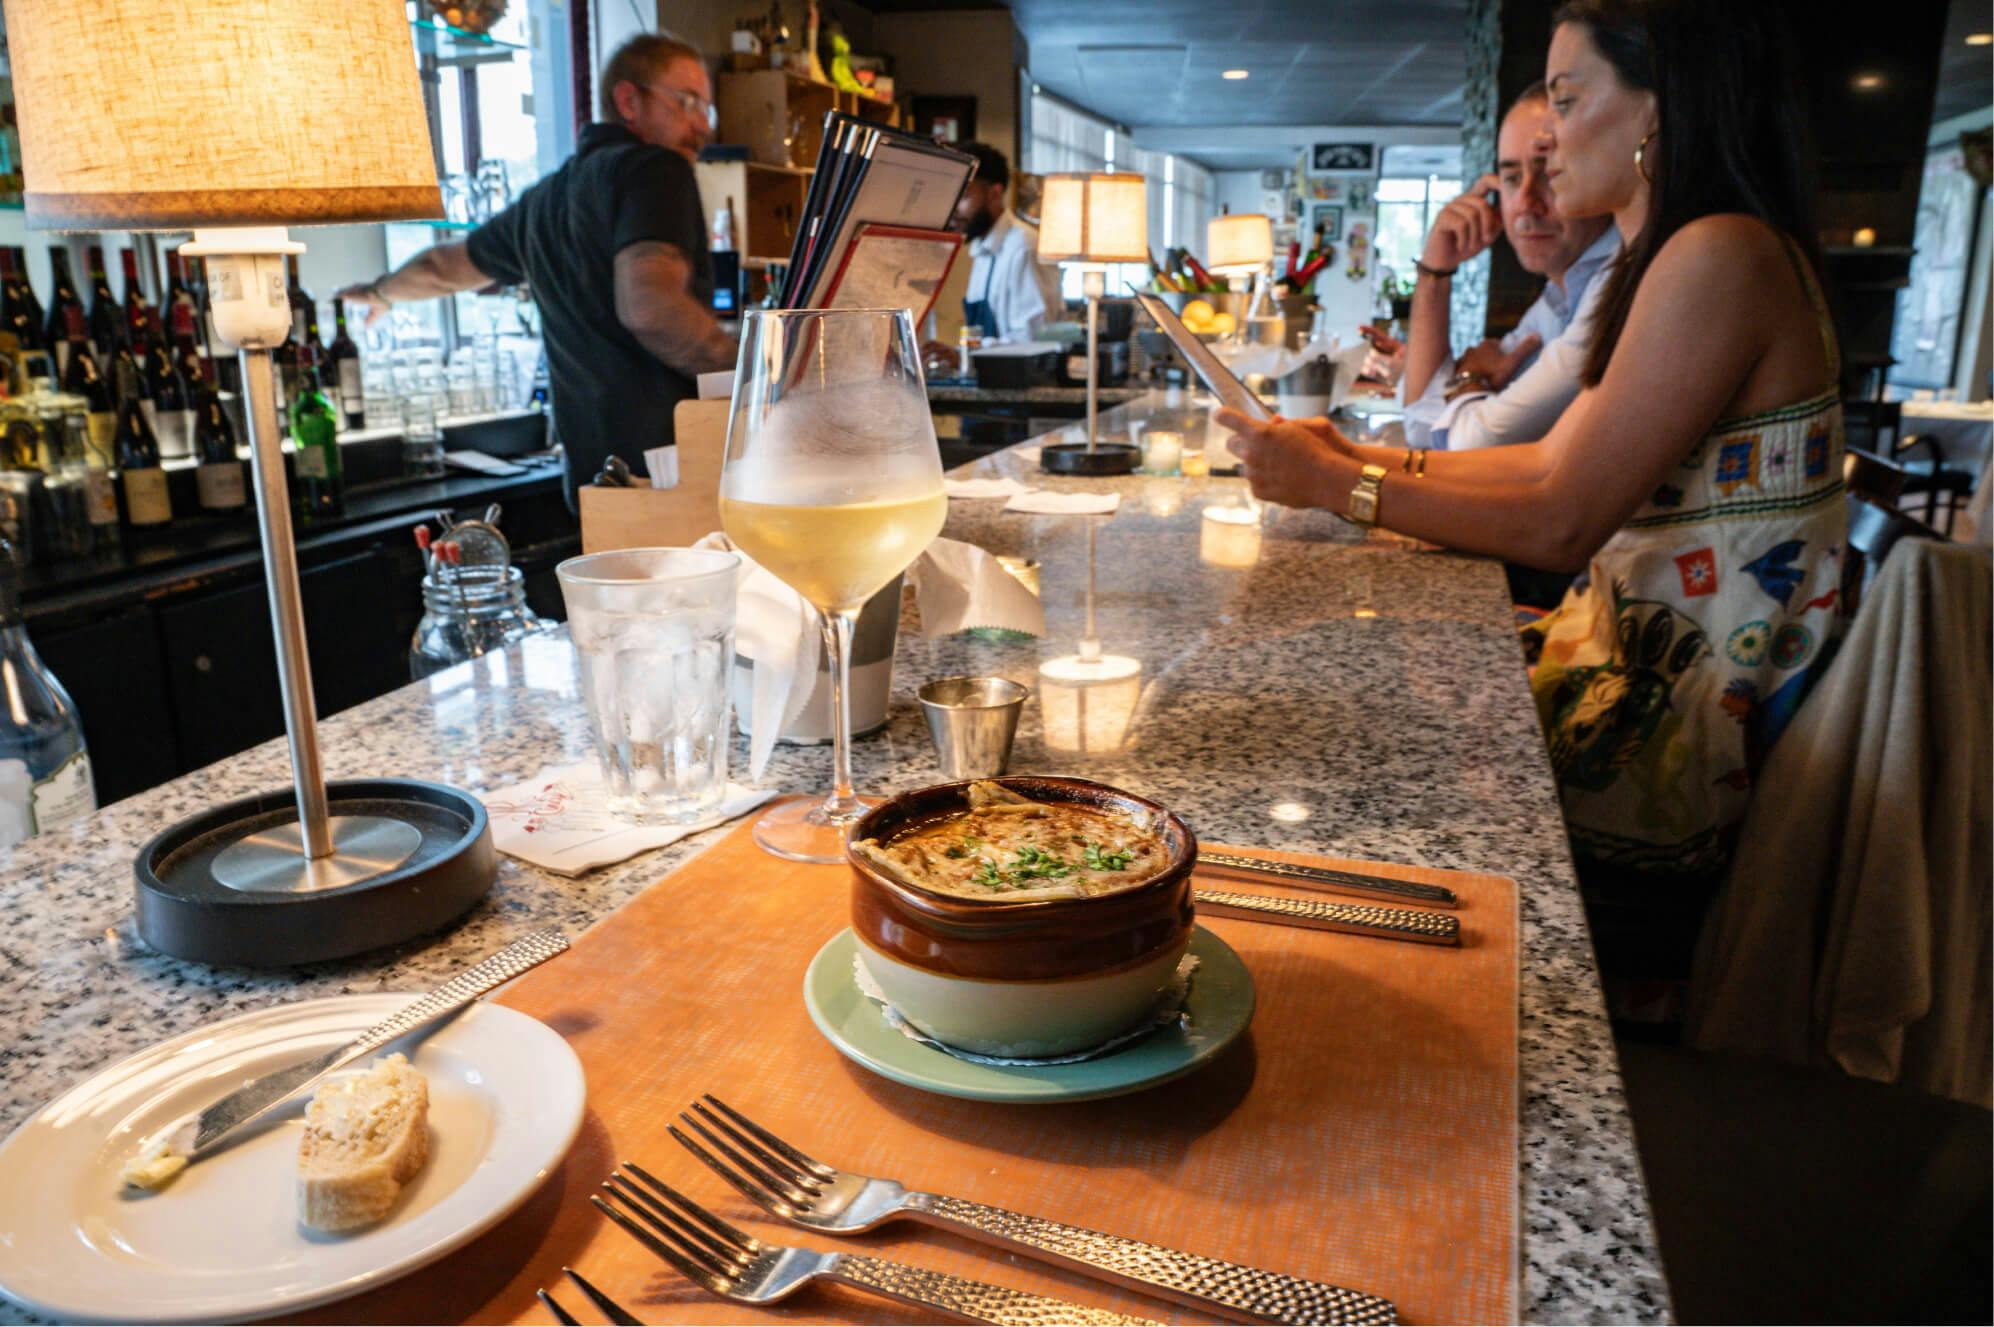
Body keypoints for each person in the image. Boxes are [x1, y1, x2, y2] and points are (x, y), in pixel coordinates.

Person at [1216, 0, 1847, 993]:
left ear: (1657, 108)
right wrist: (1351, 458)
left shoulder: (1717, 253)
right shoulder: (1687, 253)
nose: (1544, 137)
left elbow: (1560, 515)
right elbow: (1549, 460)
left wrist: (1342, 484)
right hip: (1631, 684)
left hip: (1664, 744)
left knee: (1308, 757)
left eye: (1565, 96)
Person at [339, 33, 735, 497]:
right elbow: (650, 307)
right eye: (687, 102)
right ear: (629, 100)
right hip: (667, 475)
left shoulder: (546, 197)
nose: (702, 126)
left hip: (593, 479)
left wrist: (381, 292)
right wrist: (755, 373)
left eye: (705, 108)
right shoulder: (656, 169)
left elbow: (442, 267)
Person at [1399, 83, 1619, 452]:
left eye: (1549, 174)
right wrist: (1434, 272)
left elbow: (1472, 445)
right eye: (1512, 179)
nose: (1526, 203)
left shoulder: (1617, 282)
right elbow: (1421, 427)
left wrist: (1470, 381)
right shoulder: (1556, 299)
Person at [948, 142, 1064, 344]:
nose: (953, 209)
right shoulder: (983, 250)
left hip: (1023, 375)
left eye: (963, 195)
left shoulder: (1024, 246)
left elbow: (1035, 337)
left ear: (994, 193)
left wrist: (969, 356)